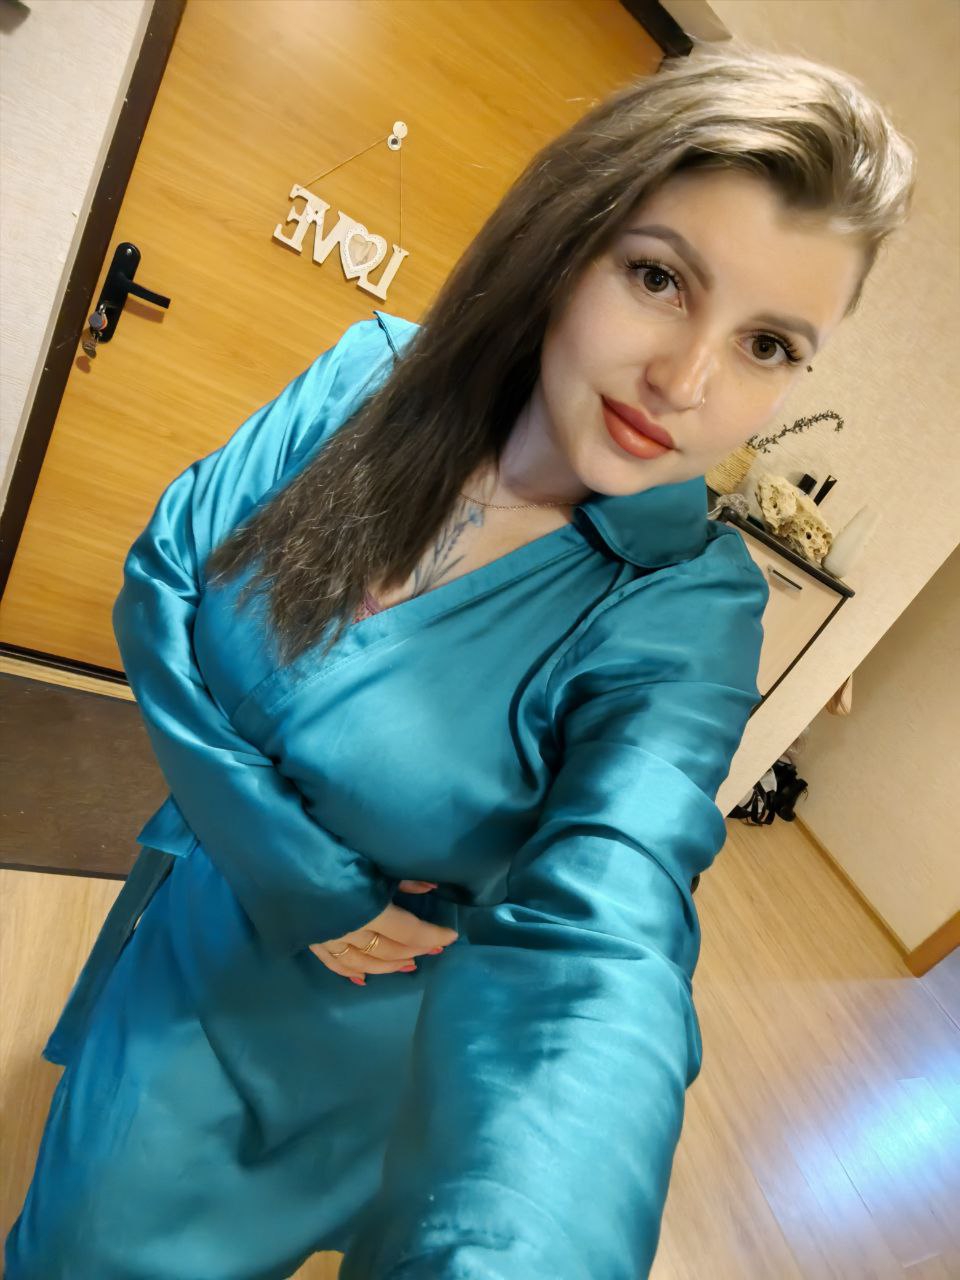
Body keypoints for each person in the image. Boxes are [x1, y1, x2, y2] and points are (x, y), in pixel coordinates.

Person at [6, 37, 915, 1280]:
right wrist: (297, 867)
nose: (686, 379)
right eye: (659, 276)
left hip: (323, 1038)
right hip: (187, 910)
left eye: (770, 344)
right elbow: (162, 583)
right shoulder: (369, 376)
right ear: (566, 237)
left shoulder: (683, 612)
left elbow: (608, 938)